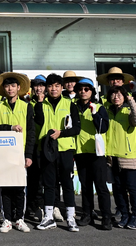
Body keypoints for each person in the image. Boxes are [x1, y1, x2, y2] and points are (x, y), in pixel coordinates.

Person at [34, 73, 81, 232]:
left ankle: (70, 217)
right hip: (47, 149)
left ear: (62, 88)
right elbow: (39, 121)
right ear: (46, 88)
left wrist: (61, 133)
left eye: (56, 86)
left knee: (67, 184)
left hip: (65, 149)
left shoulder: (70, 104)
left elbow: (76, 129)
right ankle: (48, 217)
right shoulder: (41, 103)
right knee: (49, 184)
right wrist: (39, 103)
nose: (53, 89)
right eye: (50, 86)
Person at [0, 72, 35, 233]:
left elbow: (31, 132)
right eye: (7, 86)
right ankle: (7, 219)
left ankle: (19, 219)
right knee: (5, 188)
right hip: (3, 153)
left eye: (13, 86)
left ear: (19, 88)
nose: (10, 89)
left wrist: (29, 155)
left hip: (20, 153)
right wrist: (10, 127)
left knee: (20, 187)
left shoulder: (27, 106)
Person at [73, 78, 112, 230]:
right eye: (80, 89)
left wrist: (95, 114)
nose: (83, 92)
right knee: (86, 186)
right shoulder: (74, 107)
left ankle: (106, 217)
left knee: (101, 186)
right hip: (81, 151)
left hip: (97, 153)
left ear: (92, 91)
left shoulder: (99, 107)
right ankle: (87, 214)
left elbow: (103, 127)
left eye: (86, 89)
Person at [104, 86, 136, 230]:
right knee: (118, 188)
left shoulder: (129, 110)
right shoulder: (107, 112)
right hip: (112, 156)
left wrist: (132, 101)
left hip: (129, 156)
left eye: (119, 94)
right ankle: (125, 214)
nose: (116, 97)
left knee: (132, 188)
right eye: (113, 94)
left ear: (125, 96)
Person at [26, 74, 46, 221]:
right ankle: (33, 206)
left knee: (47, 179)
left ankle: (48, 206)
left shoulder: (49, 102)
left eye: (41, 85)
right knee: (33, 179)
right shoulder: (28, 103)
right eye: (36, 85)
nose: (38, 88)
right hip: (33, 145)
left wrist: (40, 102)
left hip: (47, 145)